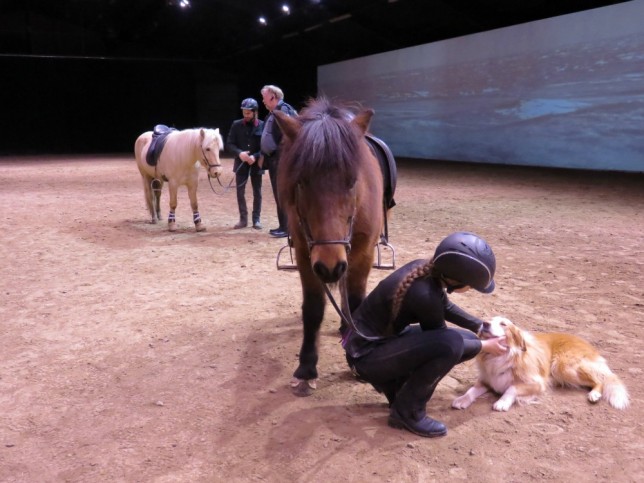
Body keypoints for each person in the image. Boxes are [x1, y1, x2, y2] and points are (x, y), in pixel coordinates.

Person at [342, 231, 508, 438]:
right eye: (473, 285)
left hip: (375, 346)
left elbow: (444, 306)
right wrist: (485, 346)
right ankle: (407, 412)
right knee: (452, 345)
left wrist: (479, 327)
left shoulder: (424, 271)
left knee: (468, 339)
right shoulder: (424, 294)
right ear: (458, 280)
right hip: (365, 359)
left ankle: (397, 388)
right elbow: (442, 343)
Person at [259, 85, 297, 238]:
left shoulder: (283, 111)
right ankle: (283, 226)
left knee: (283, 193)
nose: (263, 101)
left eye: (264, 97)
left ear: (273, 97)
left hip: (280, 160)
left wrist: (281, 158)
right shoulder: (275, 112)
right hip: (274, 159)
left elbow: (286, 138)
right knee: (278, 193)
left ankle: (287, 228)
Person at [226, 98, 265, 229]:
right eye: (244, 112)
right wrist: (239, 153)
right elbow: (230, 143)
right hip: (241, 163)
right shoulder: (236, 125)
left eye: (248, 113)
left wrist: (255, 156)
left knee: (257, 192)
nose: (246, 115)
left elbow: (265, 147)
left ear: (255, 112)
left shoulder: (262, 125)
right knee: (240, 192)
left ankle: (256, 219)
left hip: (256, 163)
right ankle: (243, 219)